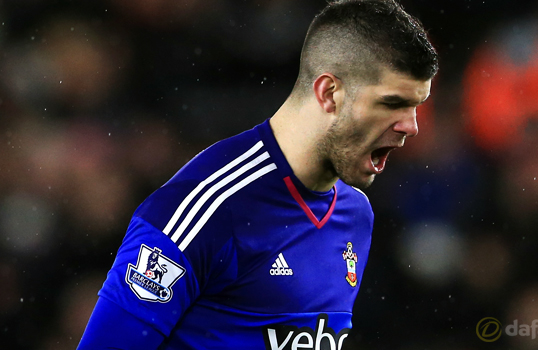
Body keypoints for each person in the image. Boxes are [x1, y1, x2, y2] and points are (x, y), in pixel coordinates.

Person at [77, 0, 438, 348]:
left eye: (416, 106)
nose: (411, 126)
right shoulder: (207, 209)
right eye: (392, 103)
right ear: (330, 93)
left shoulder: (355, 214)